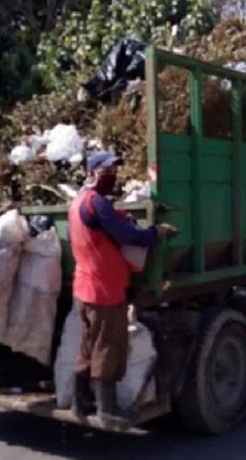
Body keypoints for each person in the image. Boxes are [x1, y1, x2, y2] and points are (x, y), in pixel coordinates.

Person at [67, 151, 178, 423]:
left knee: (87, 346)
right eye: (106, 171)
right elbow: (129, 235)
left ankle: (81, 403)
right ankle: (107, 409)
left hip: (84, 287)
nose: (112, 176)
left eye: (114, 170)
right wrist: (156, 233)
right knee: (108, 347)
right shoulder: (96, 203)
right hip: (103, 289)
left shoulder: (77, 203)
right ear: (92, 172)